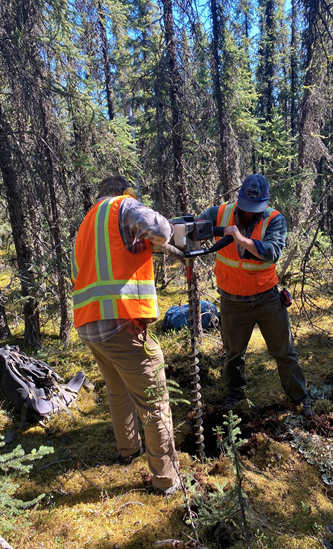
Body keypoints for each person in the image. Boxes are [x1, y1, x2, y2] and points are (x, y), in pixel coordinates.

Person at [71, 174, 180, 495]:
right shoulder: (123, 206)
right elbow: (160, 229)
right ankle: (166, 480)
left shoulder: (85, 225)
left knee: (117, 389)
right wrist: (171, 234)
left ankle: (127, 450)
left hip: (89, 324)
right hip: (119, 320)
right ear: (124, 192)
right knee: (155, 400)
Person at [199, 174, 312, 416]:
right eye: (245, 208)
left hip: (267, 298)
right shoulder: (218, 213)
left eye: (255, 209)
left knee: (285, 352)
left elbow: (272, 252)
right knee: (233, 353)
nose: (249, 214)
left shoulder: (275, 219)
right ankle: (235, 393)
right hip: (231, 300)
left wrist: (240, 238)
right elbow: (193, 229)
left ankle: (300, 398)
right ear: (238, 199)